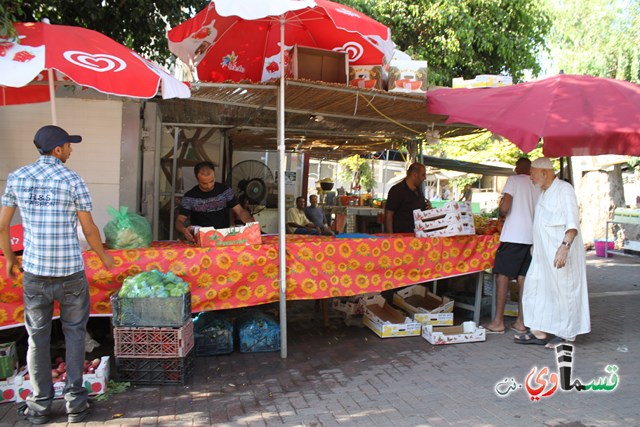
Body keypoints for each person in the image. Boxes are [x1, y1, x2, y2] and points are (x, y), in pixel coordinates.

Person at [0, 125, 114, 424]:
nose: (71, 150)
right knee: (75, 335)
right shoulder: (72, 179)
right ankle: (76, 404)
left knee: (37, 340)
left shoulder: (17, 178)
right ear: (57, 149)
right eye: (68, 145)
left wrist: (11, 260)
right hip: (70, 274)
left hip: (35, 273)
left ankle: (39, 407)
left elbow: (2, 227)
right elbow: (89, 229)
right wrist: (103, 257)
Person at [515, 157, 590, 348]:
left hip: (561, 253)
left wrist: (564, 247)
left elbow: (572, 222)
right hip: (541, 255)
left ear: (544, 173)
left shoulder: (565, 190)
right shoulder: (543, 192)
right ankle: (539, 331)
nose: (530, 177)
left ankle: (566, 335)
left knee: (564, 293)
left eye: (532, 173)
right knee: (536, 289)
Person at [483, 158, 540, 334]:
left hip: (514, 236)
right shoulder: (537, 184)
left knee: (502, 276)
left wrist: (501, 210)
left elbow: (505, 207)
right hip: (532, 237)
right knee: (523, 278)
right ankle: (521, 322)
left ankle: (498, 321)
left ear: (518, 168)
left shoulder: (514, 180)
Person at [175, 161, 253, 242]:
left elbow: (240, 210)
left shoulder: (225, 191)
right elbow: (179, 221)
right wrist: (184, 230)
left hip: (224, 237)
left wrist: (249, 222)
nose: (209, 185)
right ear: (197, 179)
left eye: (212, 181)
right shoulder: (190, 196)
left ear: (214, 175)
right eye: (204, 183)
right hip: (201, 239)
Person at [385, 163, 432, 233]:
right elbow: (389, 214)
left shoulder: (418, 191)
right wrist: (390, 236)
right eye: (423, 175)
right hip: (401, 236)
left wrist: (428, 209)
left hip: (418, 235)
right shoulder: (397, 190)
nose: (425, 178)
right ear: (415, 175)